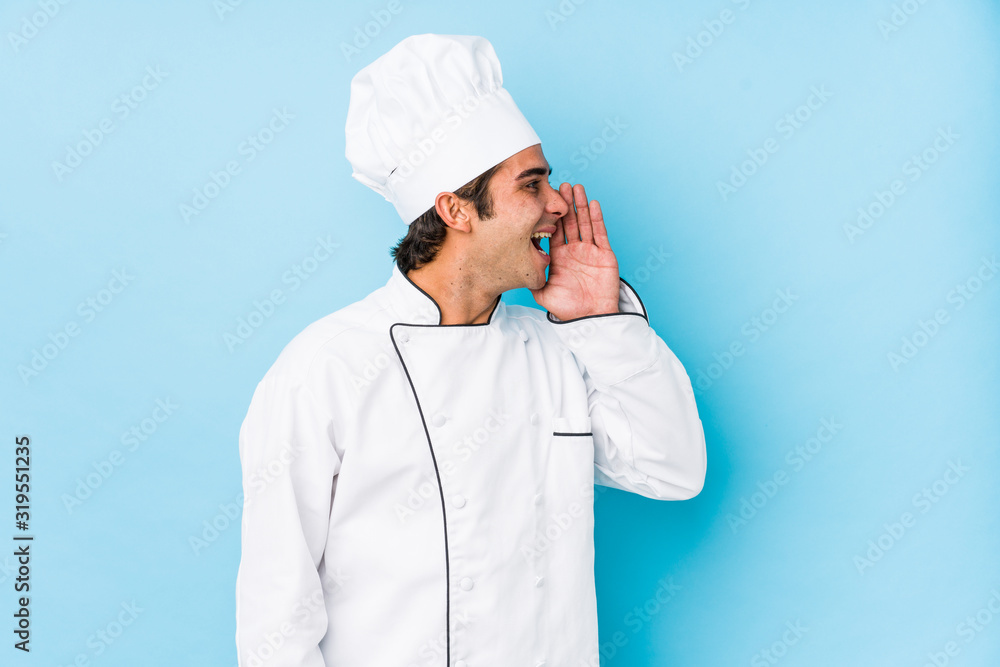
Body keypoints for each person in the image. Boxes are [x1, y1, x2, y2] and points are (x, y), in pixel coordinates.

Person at [235, 33, 706, 667]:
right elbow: (276, 625)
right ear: (456, 209)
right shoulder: (326, 369)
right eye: (532, 185)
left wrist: (602, 320)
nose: (558, 204)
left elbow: (674, 471)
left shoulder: (562, 349)